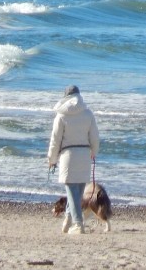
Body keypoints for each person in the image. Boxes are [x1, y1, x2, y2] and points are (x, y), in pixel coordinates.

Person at [47, 85, 100, 235]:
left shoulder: (61, 115)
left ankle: (78, 224)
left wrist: (51, 158)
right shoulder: (88, 113)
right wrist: (94, 152)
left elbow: (55, 140)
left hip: (68, 156)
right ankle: (68, 219)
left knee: (72, 193)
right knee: (77, 193)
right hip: (84, 155)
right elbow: (95, 137)